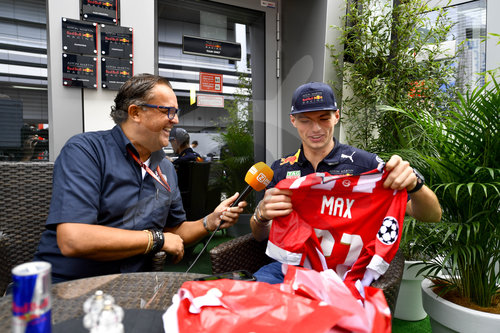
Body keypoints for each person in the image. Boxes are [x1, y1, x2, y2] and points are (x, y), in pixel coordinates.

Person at [34, 73, 246, 283]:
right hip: (69, 283)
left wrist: (209, 221)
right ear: (135, 112)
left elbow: (174, 230)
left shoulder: (165, 167)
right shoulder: (86, 151)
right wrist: (156, 239)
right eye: (167, 111)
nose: (176, 119)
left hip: (133, 284)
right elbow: (74, 239)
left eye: (176, 111)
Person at [250, 82, 442, 285]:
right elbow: (260, 235)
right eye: (305, 120)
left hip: (343, 276)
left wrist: (415, 184)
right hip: (287, 269)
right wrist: (260, 215)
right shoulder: (281, 169)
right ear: (293, 120)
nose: (316, 129)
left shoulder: (367, 166)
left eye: (324, 119)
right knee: (246, 305)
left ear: (336, 116)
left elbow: (432, 216)